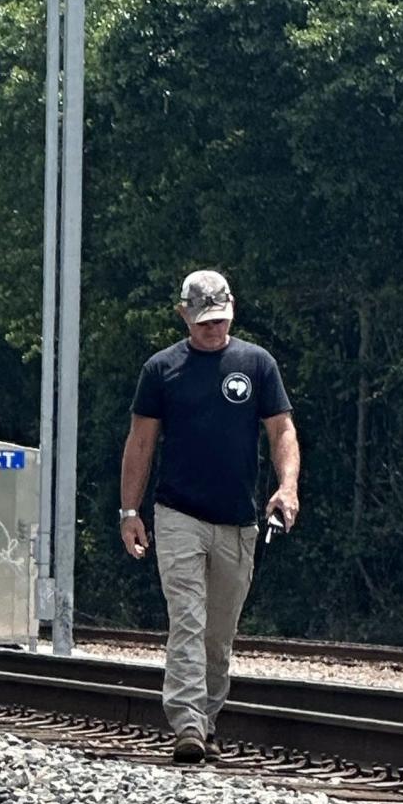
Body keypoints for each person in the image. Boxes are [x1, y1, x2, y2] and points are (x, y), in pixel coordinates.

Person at [119, 270, 300, 764]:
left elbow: (281, 431)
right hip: (177, 513)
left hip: (238, 520)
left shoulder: (256, 364)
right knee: (188, 620)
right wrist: (129, 511)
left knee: (218, 635)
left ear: (233, 310)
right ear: (183, 315)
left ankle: (208, 718)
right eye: (202, 323)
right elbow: (140, 443)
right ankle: (187, 725)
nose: (212, 330)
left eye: (219, 321)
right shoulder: (162, 370)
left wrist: (287, 487)